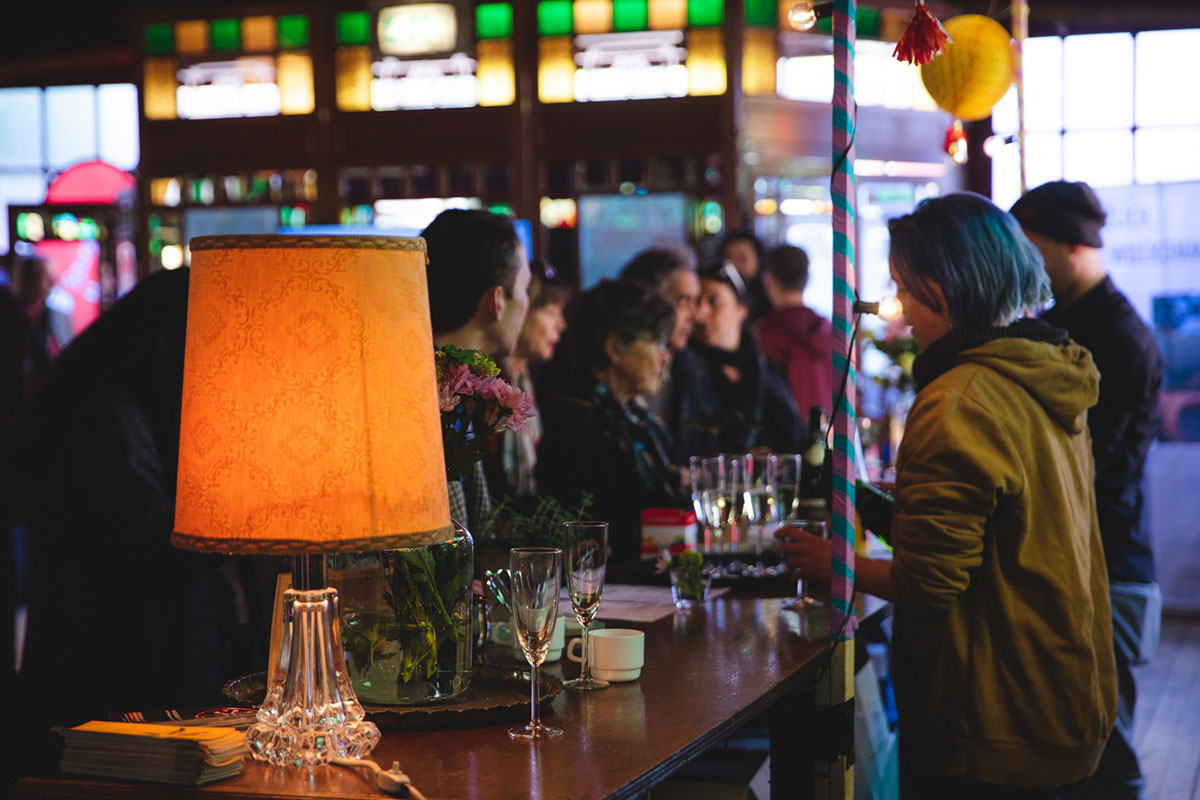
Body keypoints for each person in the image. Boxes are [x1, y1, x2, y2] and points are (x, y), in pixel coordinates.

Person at [777, 193, 1116, 797]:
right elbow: (1005, 526)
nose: (900, 304)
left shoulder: (960, 397)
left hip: (992, 717)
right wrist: (874, 505)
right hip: (1062, 685)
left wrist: (836, 564)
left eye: (906, 284)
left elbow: (929, 583)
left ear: (946, 284)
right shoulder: (1043, 371)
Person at [8, 268, 271, 788]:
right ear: (168, 340)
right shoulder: (107, 412)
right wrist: (254, 515)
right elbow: (151, 541)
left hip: (120, 659)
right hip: (117, 673)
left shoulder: (110, 397)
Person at [1012, 180, 1162, 800]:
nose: (1025, 261)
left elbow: (1084, 467)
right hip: (1076, 554)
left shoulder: (1120, 339)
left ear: (1072, 246)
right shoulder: (1056, 325)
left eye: (1031, 245)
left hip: (1107, 556)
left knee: (1105, 745)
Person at [536, 280, 684, 567]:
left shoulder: (636, 417)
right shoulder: (575, 420)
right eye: (656, 343)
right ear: (614, 348)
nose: (666, 356)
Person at [422, 209, 531, 527]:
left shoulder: (456, 381)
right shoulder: (425, 395)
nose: (527, 303)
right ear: (496, 302)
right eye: (524, 289)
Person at [681, 259, 803, 458]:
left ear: (741, 309)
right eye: (696, 302)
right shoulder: (685, 368)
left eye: (714, 302)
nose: (700, 314)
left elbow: (793, 436)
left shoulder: (766, 368)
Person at [485, 258, 570, 505]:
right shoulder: (491, 383)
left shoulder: (526, 378)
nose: (561, 325)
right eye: (552, 312)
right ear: (519, 309)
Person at [618, 246, 715, 460]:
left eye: (696, 301)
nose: (697, 315)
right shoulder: (613, 377)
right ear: (649, 302)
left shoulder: (694, 371)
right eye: (684, 301)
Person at [754, 244, 834, 421]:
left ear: (769, 280)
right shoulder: (826, 330)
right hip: (829, 429)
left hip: (786, 435)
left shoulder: (768, 332)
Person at [720, 229, 771, 322]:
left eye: (742, 258)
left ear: (758, 261)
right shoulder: (720, 297)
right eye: (728, 259)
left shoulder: (770, 298)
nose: (733, 265)